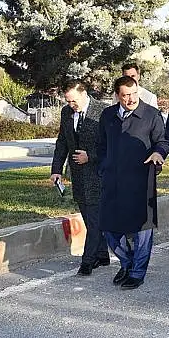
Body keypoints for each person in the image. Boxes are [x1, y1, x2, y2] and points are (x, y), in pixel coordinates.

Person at [98, 75, 168, 289]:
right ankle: (126, 263)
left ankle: (137, 272)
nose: (131, 99)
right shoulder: (108, 115)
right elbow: (101, 145)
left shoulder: (151, 114)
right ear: (117, 96)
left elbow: (163, 141)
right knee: (109, 227)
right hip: (113, 181)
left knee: (142, 230)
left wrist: (158, 153)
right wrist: (103, 166)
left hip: (140, 180)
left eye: (134, 93)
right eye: (126, 95)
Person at [50, 80, 109, 276]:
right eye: (68, 101)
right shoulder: (66, 113)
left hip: (98, 174)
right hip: (78, 175)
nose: (71, 105)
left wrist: (90, 156)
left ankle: (88, 261)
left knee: (94, 220)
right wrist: (56, 169)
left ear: (84, 94)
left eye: (74, 101)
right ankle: (102, 254)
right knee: (89, 217)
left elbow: (112, 145)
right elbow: (62, 142)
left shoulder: (103, 111)